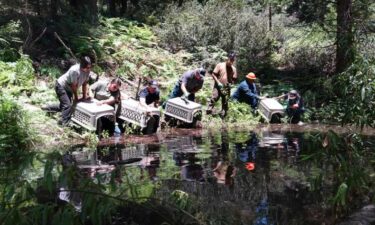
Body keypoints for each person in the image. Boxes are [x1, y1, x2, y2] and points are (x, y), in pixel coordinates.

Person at [54, 56, 92, 126]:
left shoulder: (88, 71)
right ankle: (63, 123)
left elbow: (84, 84)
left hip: (69, 88)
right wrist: (76, 98)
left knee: (66, 105)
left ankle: (47, 107)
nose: (89, 69)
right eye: (87, 67)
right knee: (67, 105)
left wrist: (84, 97)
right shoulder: (75, 70)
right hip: (61, 86)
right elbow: (73, 86)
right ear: (82, 65)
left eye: (90, 67)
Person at [206, 52, 238, 118]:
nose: (231, 62)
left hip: (227, 88)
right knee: (214, 98)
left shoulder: (233, 69)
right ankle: (208, 113)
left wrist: (231, 84)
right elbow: (213, 74)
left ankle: (223, 115)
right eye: (230, 60)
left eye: (232, 61)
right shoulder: (220, 65)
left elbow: (234, 79)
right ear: (227, 59)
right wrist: (218, 82)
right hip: (218, 86)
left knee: (225, 101)